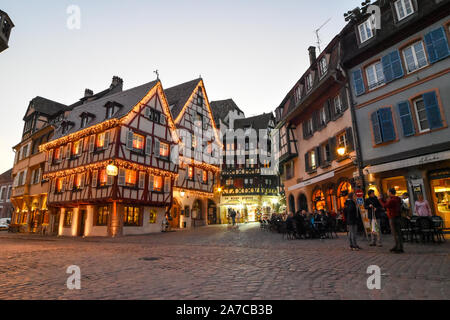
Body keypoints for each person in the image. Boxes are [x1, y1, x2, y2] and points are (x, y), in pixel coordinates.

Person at [380, 188, 404, 254]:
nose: (387, 193)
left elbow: (385, 205)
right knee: (398, 232)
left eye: (388, 192)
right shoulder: (397, 198)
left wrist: (380, 200)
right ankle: (398, 246)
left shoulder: (393, 199)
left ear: (390, 192)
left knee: (395, 233)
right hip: (397, 216)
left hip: (393, 217)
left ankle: (399, 247)